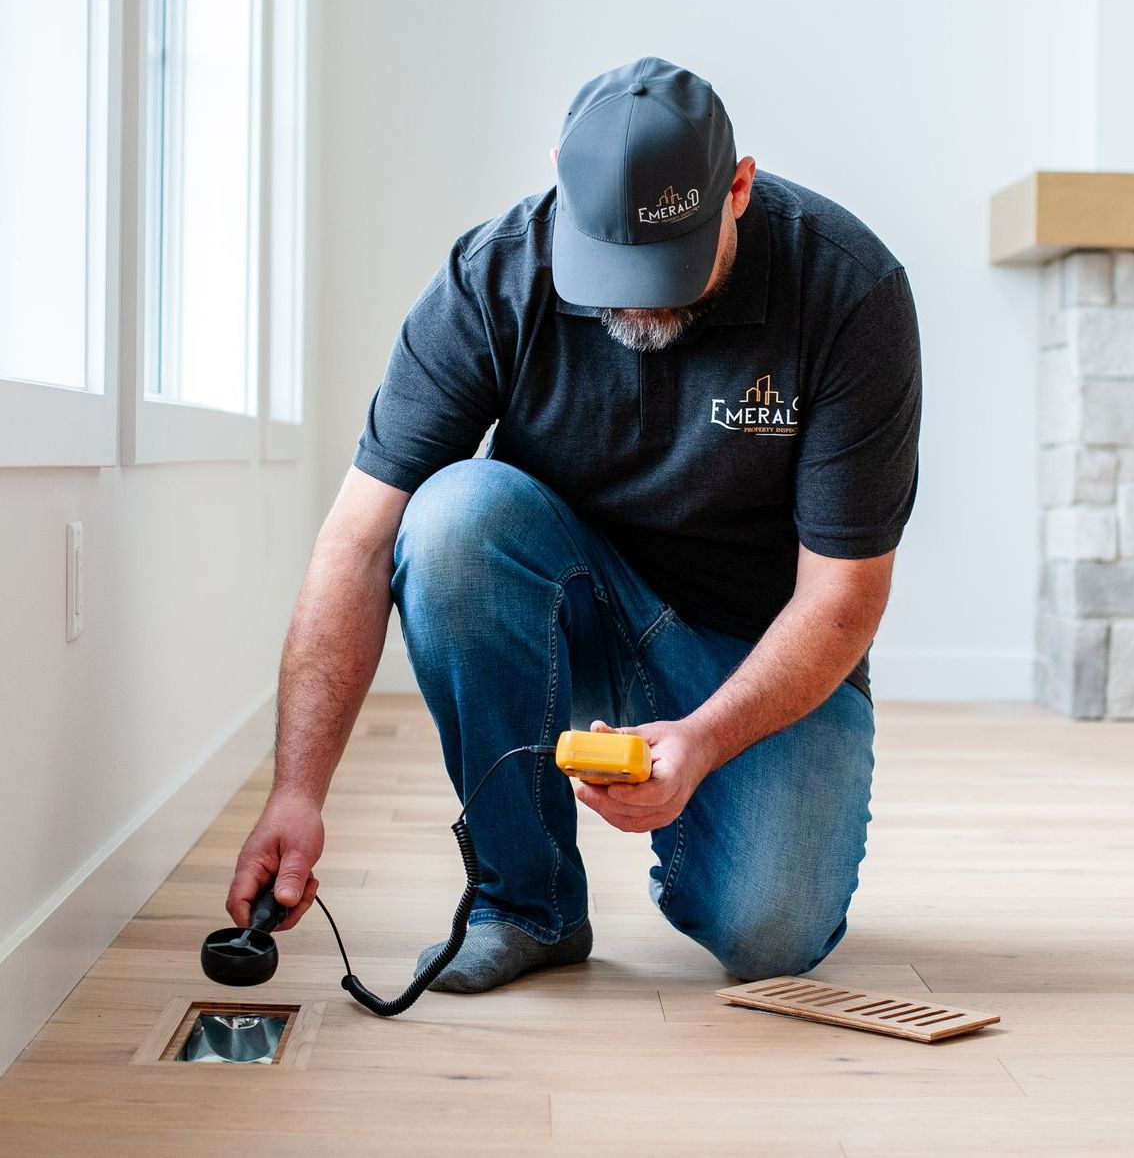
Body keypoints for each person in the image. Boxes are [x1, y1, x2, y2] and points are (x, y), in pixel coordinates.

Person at [227, 57, 922, 992]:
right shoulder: (493, 277)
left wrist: (704, 741)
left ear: (739, 191)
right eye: (610, 263)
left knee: (770, 937)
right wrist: (296, 793)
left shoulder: (847, 291)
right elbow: (356, 544)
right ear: (560, 176)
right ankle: (529, 900)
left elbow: (843, 598)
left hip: (748, 647)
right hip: (566, 614)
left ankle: (705, 827)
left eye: (668, 267)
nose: (636, 299)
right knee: (448, 517)